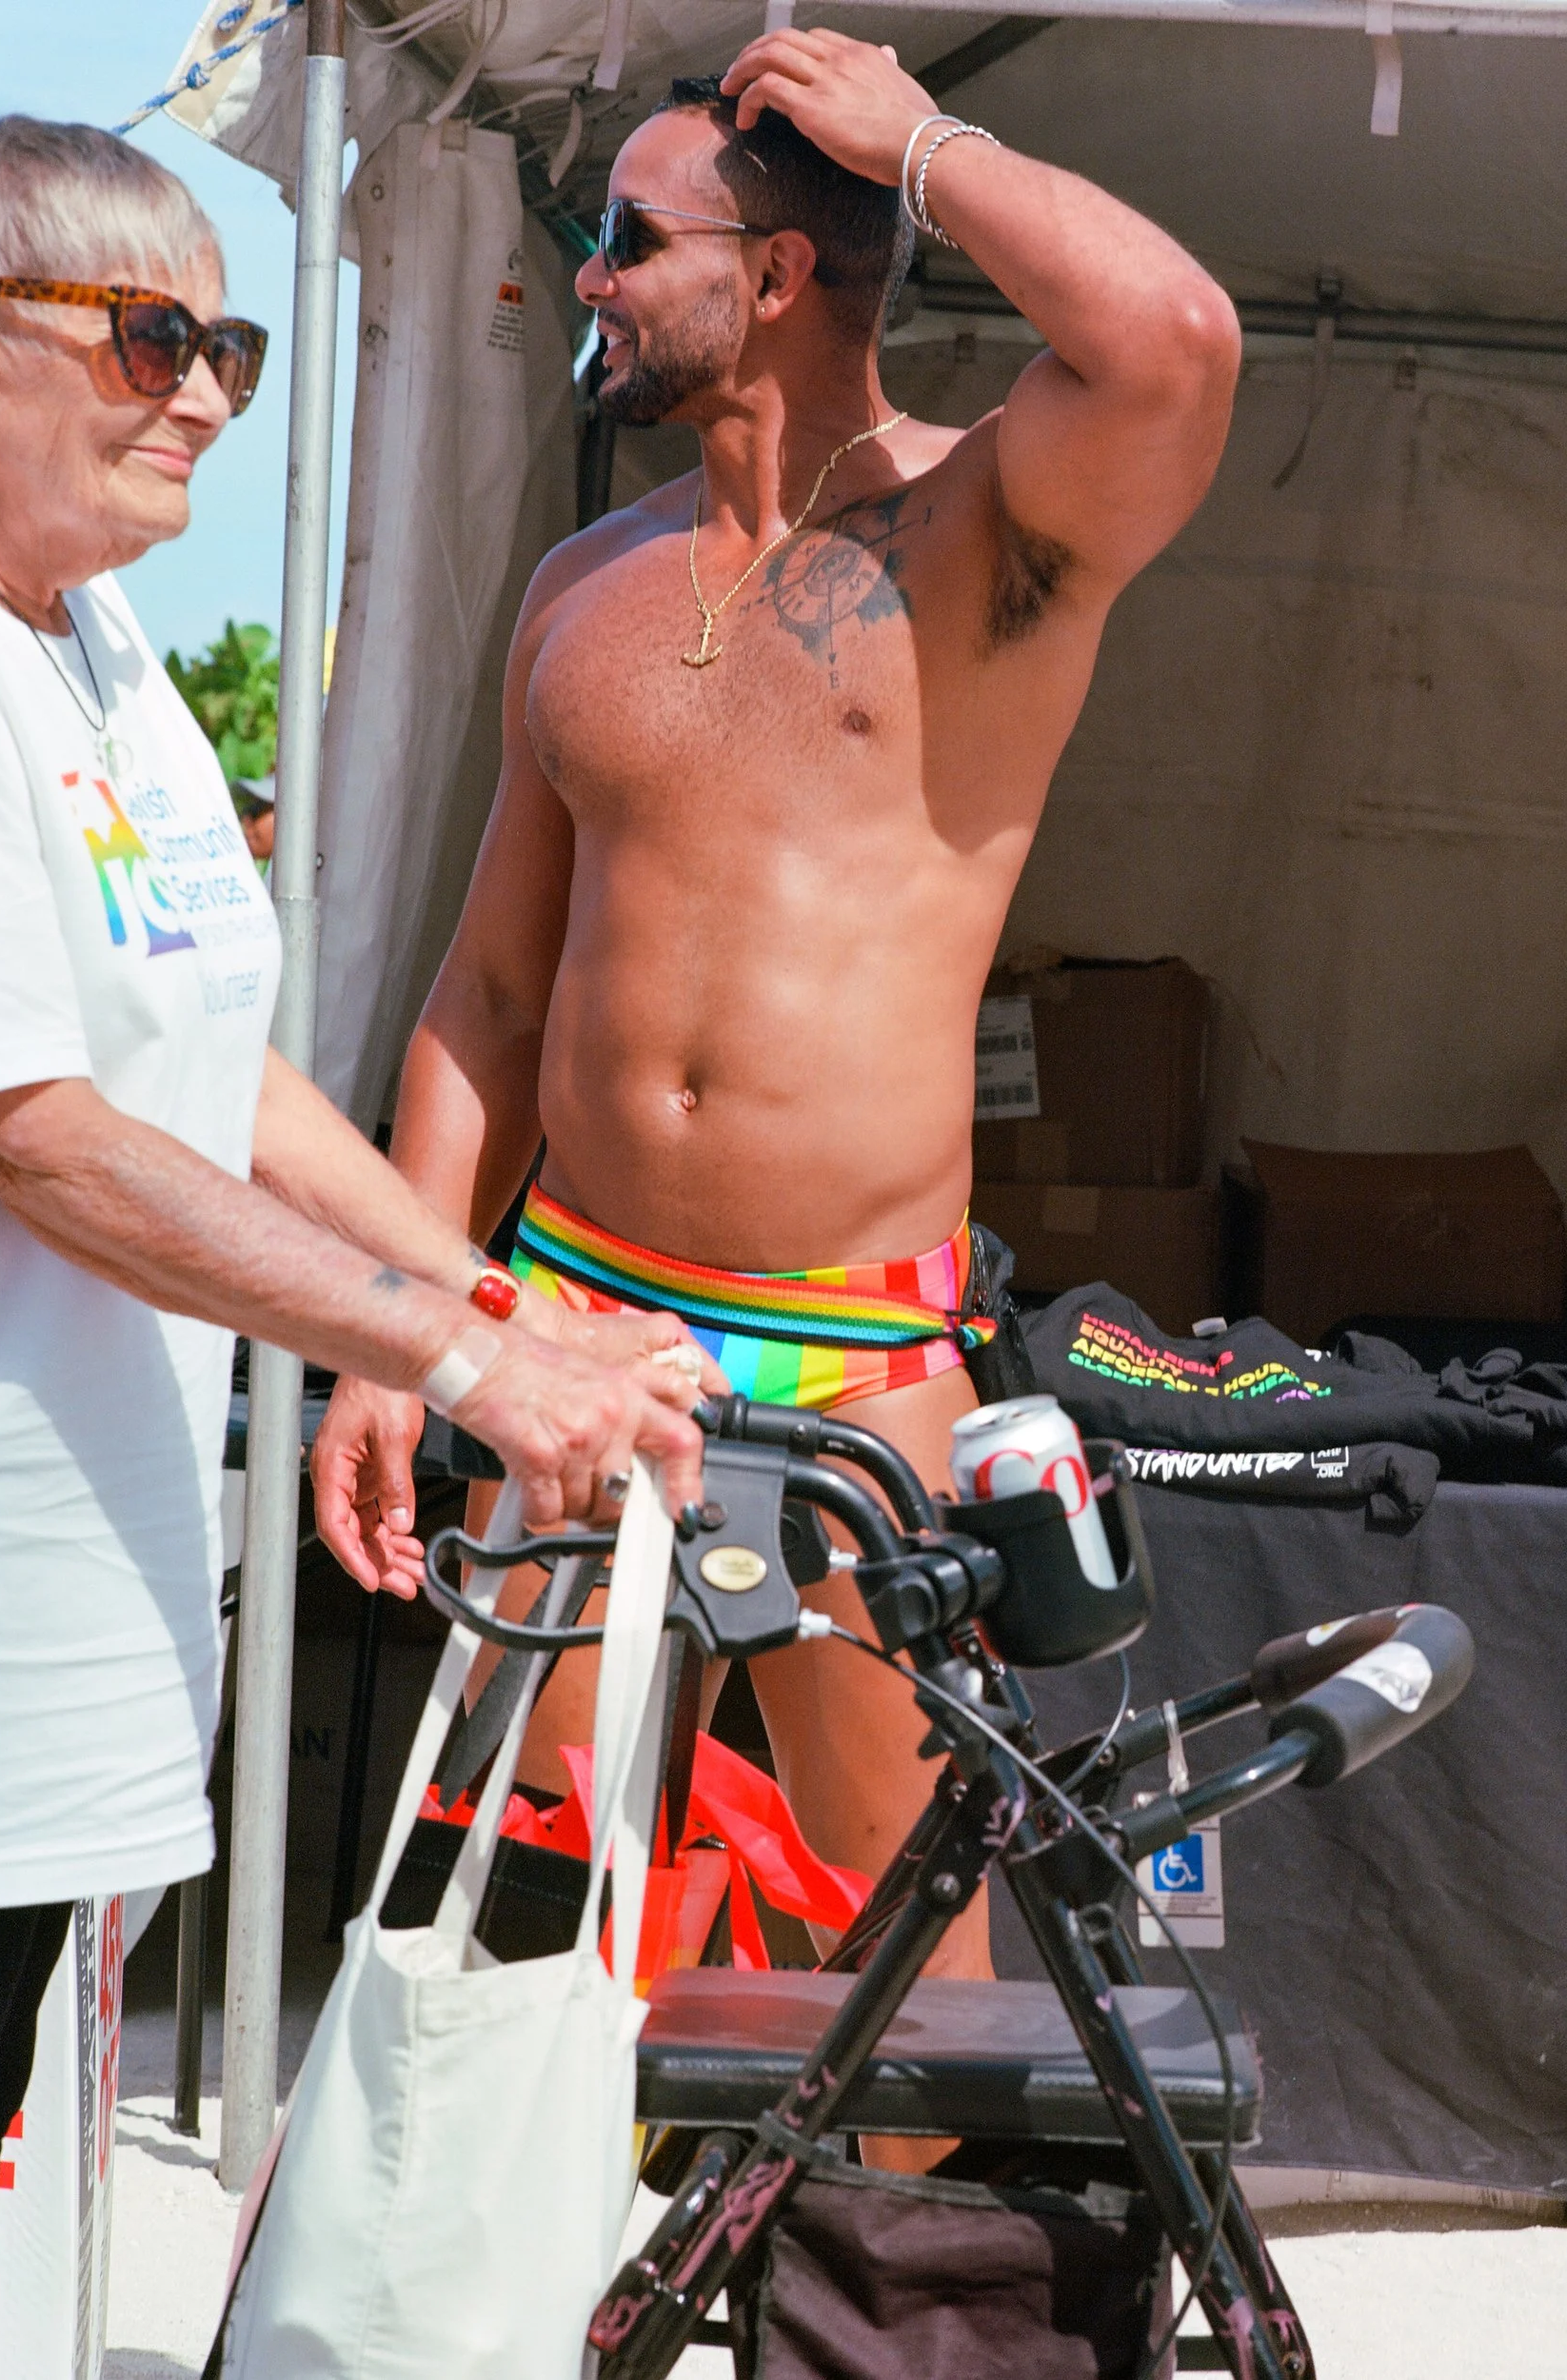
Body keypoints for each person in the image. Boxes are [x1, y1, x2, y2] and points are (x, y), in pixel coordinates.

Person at [0, 120, 703, 2380]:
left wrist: (489, 1307)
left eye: (230, 341)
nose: (211, 395)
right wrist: (460, 1370)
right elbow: (18, 1130)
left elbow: (208, 1065)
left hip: (51, 1638)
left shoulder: (97, 637)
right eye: (153, 338)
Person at [308, 33, 1240, 1962]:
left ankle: (869, 2266)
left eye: (630, 237)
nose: (587, 274)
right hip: (567, 1335)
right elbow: (484, 994)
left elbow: (1169, 338)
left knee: (901, 1982)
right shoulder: (587, 580)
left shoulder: (989, 529)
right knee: (517, 1952)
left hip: (852, 1368)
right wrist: (401, 1325)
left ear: (777, 274)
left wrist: (921, 143)